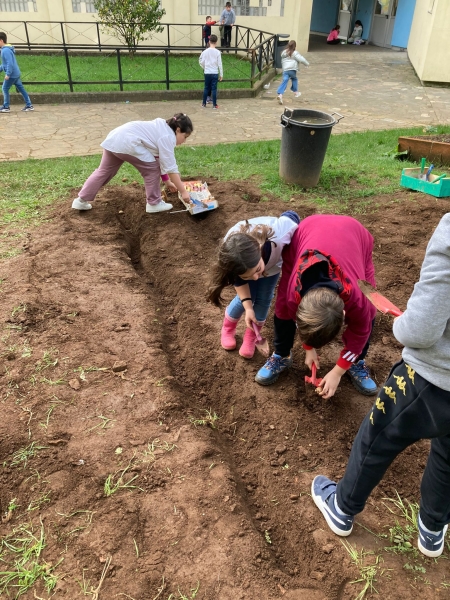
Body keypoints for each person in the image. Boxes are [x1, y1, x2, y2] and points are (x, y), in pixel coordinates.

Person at [312, 213, 450, 558]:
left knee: (377, 438)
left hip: (431, 378)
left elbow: (421, 330)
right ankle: (433, 529)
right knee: (448, 458)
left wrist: (402, 326)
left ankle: (342, 509)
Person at [255, 214, 378, 397]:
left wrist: (338, 371)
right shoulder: (293, 295)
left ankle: (357, 362)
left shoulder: (358, 301)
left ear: (344, 314)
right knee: (282, 308)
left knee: (370, 311)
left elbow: (360, 331)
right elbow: (296, 318)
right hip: (307, 232)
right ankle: (281, 354)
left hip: (355, 235)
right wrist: (308, 348)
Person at [207, 212, 300, 359]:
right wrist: (248, 308)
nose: (256, 278)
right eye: (249, 276)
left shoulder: (280, 234)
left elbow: (292, 216)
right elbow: (241, 281)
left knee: (264, 298)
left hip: (273, 265)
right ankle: (228, 328)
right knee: (244, 298)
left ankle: (251, 337)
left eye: (257, 271)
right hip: (248, 264)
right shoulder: (231, 256)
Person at [71, 114, 192, 214]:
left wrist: (166, 181)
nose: (184, 141)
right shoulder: (168, 137)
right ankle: (154, 203)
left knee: (103, 171)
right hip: (128, 143)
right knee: (151, 170)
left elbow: (159, 160)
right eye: (185, 136)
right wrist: (183, 191)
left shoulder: (161, 126)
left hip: (115, 138)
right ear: (178, 130)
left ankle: (81, 200)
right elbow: (170, 168)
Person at [0, 32, 34, 113]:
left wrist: (8, 74)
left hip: (11, 75)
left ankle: (6, 106)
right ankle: (29, 105)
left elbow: (10, 63)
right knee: (21, 89)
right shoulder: (7, 49)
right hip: (16, 73)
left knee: (4, 88)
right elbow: (5, 63)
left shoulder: (5, 51)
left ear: (1, 40)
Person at [276, 40, 309, 106]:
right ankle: (296, 92)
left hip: (285, 70)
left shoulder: (284, 52)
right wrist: (307, 64)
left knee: (285, 80)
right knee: (294, 79)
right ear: (295, 46)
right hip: (292, 70)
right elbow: (301, 59)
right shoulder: (295, 53)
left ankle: (280, 94)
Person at [199, 35, 223, 110]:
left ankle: (203, 103)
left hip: (207, 72)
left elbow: (201, 61)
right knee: (214, 89)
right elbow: (220, 64)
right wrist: (221, 74)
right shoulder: (218, 52)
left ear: (209, 42)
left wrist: (205, 67)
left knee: (206, 88)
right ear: (216, 42)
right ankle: (214, 105)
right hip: (215, 72)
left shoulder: (205, 52)